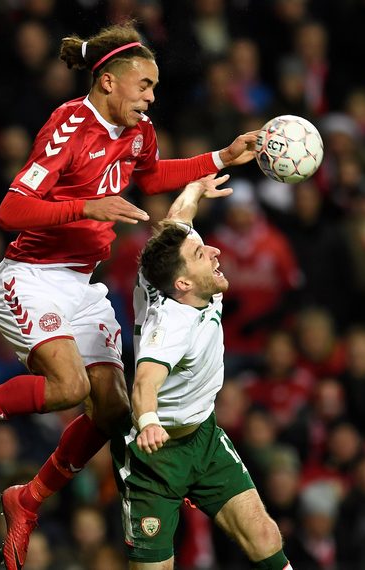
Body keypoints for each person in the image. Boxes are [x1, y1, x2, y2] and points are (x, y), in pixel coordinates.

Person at [0, 22, 258, 569]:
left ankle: (27, 499)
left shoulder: (139, 131)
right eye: (144, 85)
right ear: (109, 81)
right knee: (69, 387)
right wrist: (87, 206)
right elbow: (10, 210)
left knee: (114, 410)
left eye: (155, 88)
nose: (151, 97)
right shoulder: (68, 126)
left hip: (81, 283)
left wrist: (220, 157)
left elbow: (151, 177)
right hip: (31, 276)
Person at [110, 175, 291, 569]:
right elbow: (144, 383)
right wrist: (149, 422)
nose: (214, 250)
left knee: (264, 535)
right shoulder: (170, 326)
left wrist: (195, 189)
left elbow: (178, 217)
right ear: (183, 283)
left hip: (203, 437)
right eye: (201, 253)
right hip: (155, 456)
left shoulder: (182, 273)